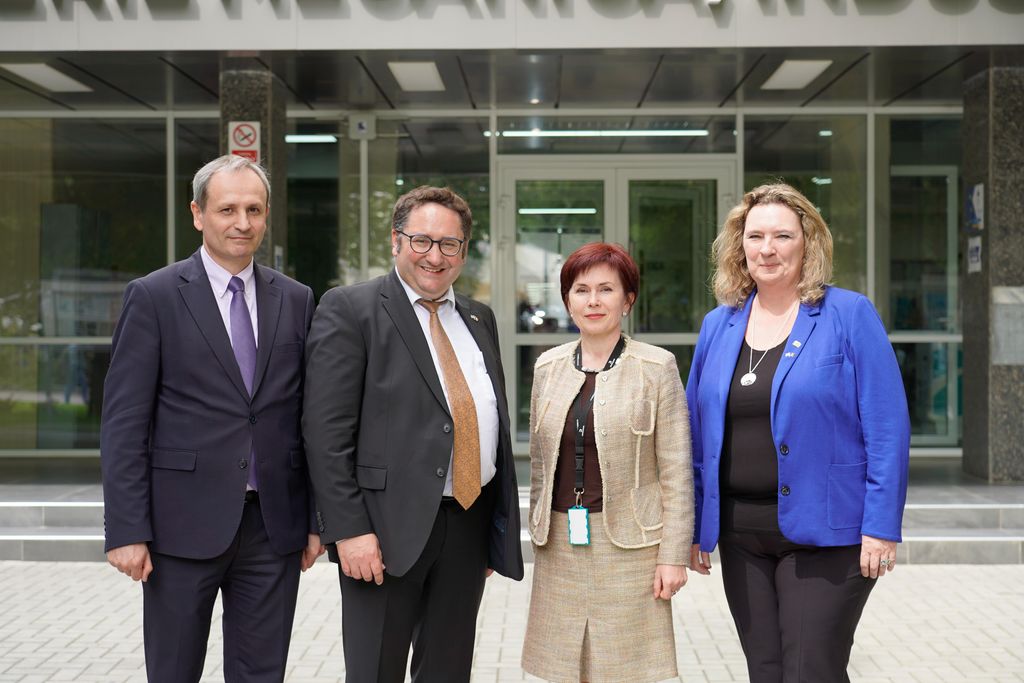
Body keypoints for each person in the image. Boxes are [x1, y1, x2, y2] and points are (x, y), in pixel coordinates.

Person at [101, 154, 323, 683]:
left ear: (267, 215)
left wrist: (317, 519)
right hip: (179, 526)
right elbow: (124, 422)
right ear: (198, 214)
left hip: (273, 526)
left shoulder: (296, 299)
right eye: (227, 209)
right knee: (174, 670)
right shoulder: (153, 296)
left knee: (261, 673)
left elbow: (308, 417)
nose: (241, 223)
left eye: (254, 209)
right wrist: (126, 529)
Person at [686, 183, 910, 683]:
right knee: (765, 671)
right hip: (742, 535)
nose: (767, 249)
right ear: (738, 245)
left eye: (782, 236)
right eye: (756, 235)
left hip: (828, 534)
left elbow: (887, 426)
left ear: (808, 242)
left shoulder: (848, 315)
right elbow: (698, 437)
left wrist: (880, 525)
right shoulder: (717, 326)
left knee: (811, 670)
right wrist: (698, 525)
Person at [302, 186, 524, 682]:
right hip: (382, 530)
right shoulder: (351, 309)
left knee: (447, 670)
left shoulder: (477, 316)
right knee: (376, 670)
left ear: (464, 251)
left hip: (467, 520)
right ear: (396, 242)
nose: (435, 255)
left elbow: (488, 416)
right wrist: (349, 531)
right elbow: (325, 433)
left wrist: (494, 530)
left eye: (450, 244)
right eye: (421, 240)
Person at [522, 242, 694, 683]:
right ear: (567, 300)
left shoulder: (656, 367)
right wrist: (536, 527)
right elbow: (541, 466)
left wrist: (672, 556)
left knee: (627, 668)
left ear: (628, 299)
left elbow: (676, 470)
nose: (593, 301)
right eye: (581, 290)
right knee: (562, 667)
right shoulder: (548, 366)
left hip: (632, 545)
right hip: (561, 540)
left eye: (606, 289)